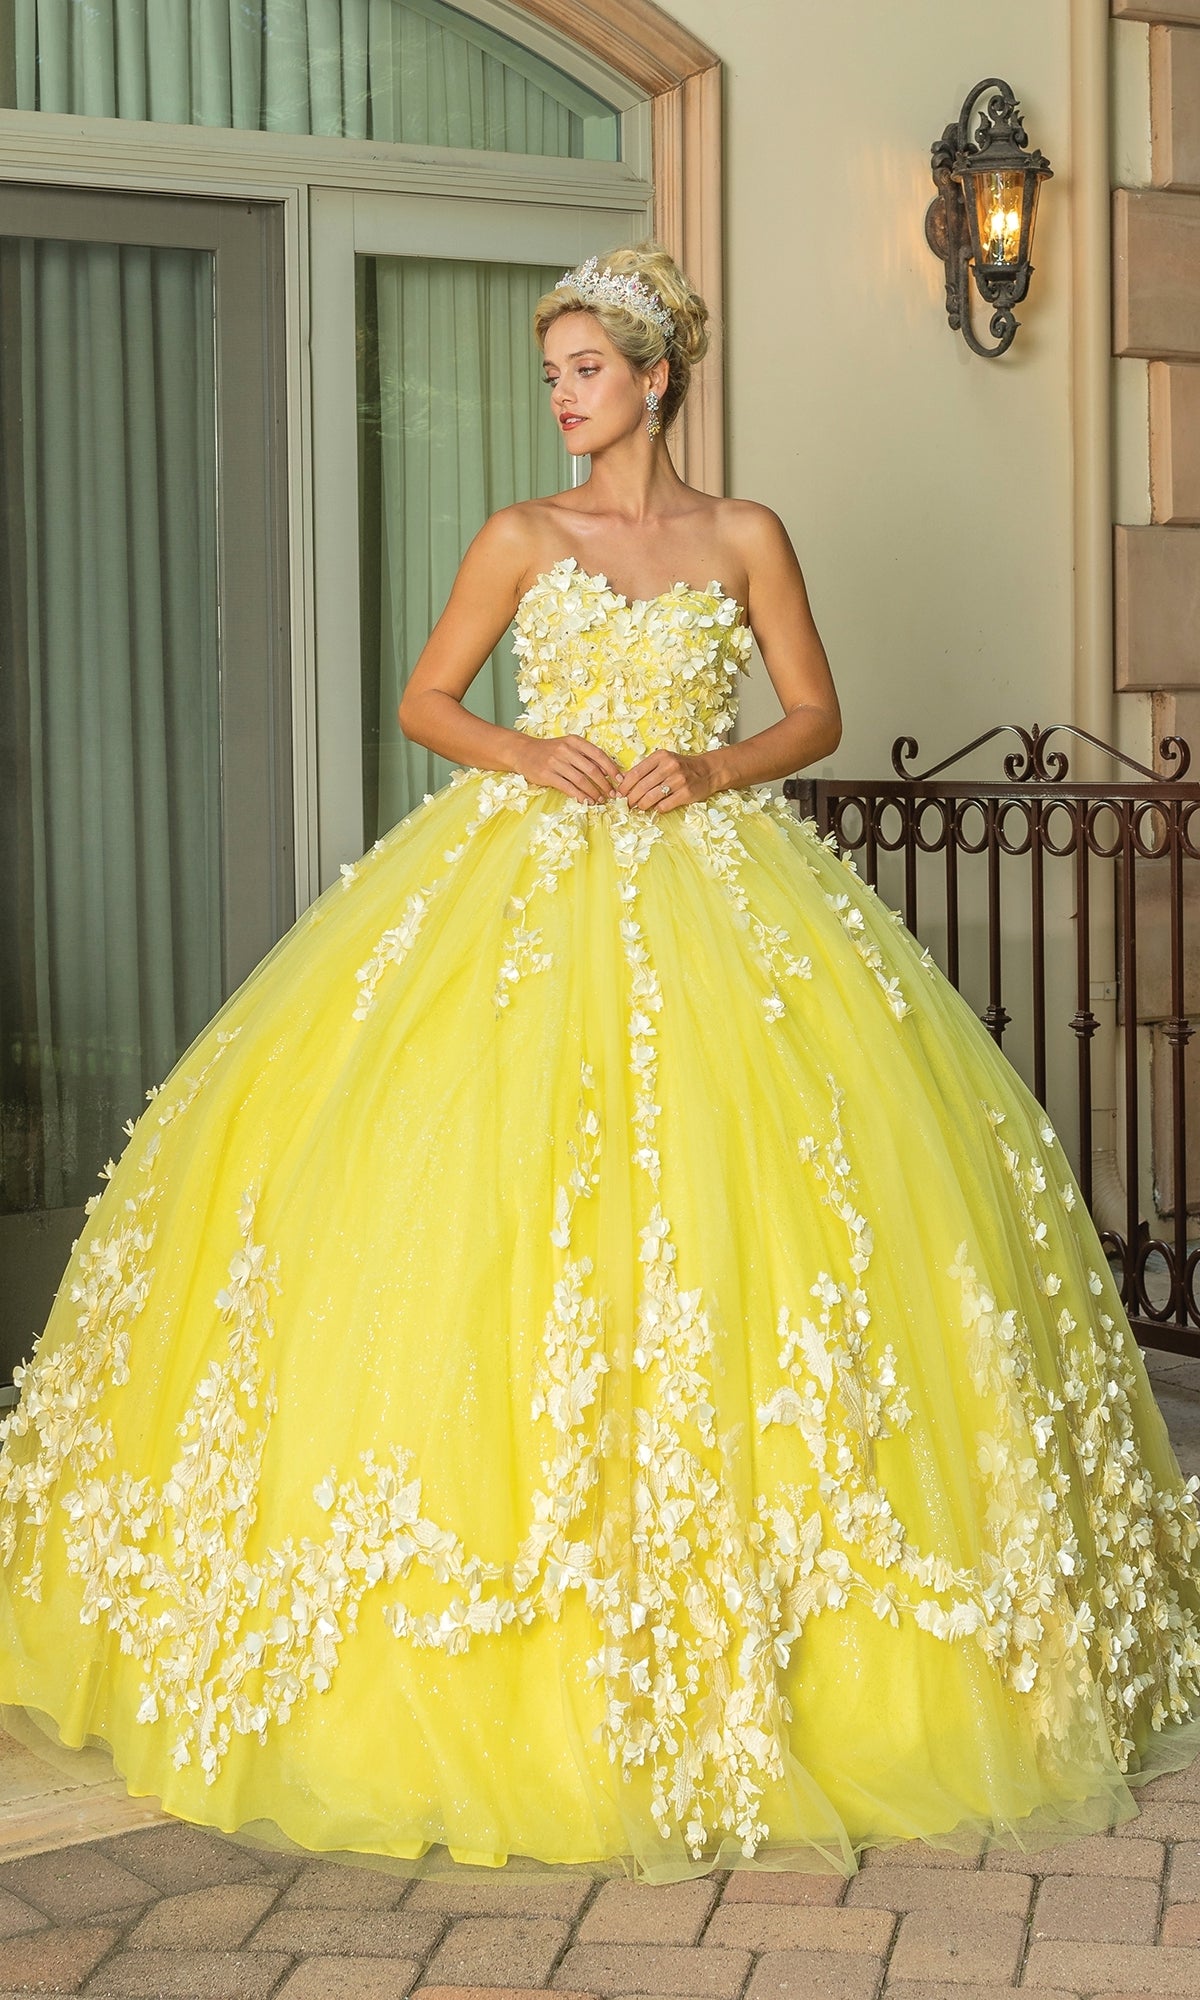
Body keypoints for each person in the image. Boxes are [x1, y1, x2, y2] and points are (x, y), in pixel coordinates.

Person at [2, 242, 1199, 1888]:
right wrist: (527, 748)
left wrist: (711, 763)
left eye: (582, 368)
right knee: (478, 1206)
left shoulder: (744, 534)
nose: (558, 395)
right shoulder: (521, 536)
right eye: (552, 369)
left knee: (773, 1216)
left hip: (718, 878)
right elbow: (429, 699)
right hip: (528, 872)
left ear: (655, 378)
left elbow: (816, 714)